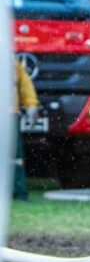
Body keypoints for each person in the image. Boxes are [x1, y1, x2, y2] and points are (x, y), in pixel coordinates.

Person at [14, 58, 39, 200]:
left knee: (15, 158)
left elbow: (24, 85)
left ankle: (18, 192)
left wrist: (31, 105)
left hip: (10, 114)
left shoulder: (11, 62)